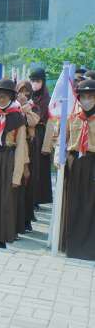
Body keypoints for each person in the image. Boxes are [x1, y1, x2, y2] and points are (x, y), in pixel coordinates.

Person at [0, 79, 27, 249]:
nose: (1, 99)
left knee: (5, 200)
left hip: (8, 159)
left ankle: (2, 237)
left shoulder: (18, 118)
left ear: (11, 97)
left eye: (5, 96)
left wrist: (18, 174)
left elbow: (21, 147)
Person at [60, 79, 95, 260]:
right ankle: (71, 246)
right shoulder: (72, 117)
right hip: (74, 162)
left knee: (90, 204)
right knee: (73, 203)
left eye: (91, 96)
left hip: (92, 163)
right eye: (83, 96)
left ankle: (88, 249)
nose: (87, 100)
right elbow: (60, 139)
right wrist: (61, 158)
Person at [15, 81, 39, 233]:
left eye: (27, 91)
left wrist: (26, 108)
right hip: (17, 148)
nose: (24, 94)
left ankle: (26, 219)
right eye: (21, 91)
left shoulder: (32, 107)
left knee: (28, 184)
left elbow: (33, 122)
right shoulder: (12, 108)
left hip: (29, 148)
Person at [30, 68, 53, 207]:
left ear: (43, 82)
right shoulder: (28, 96)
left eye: (37, 81)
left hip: (42, 134)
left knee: (40, 168)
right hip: (30, 133)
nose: (34, 84)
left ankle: (37, 199)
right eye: (32, 80)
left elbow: (50, 121)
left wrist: (47, 144)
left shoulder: (47, 100)